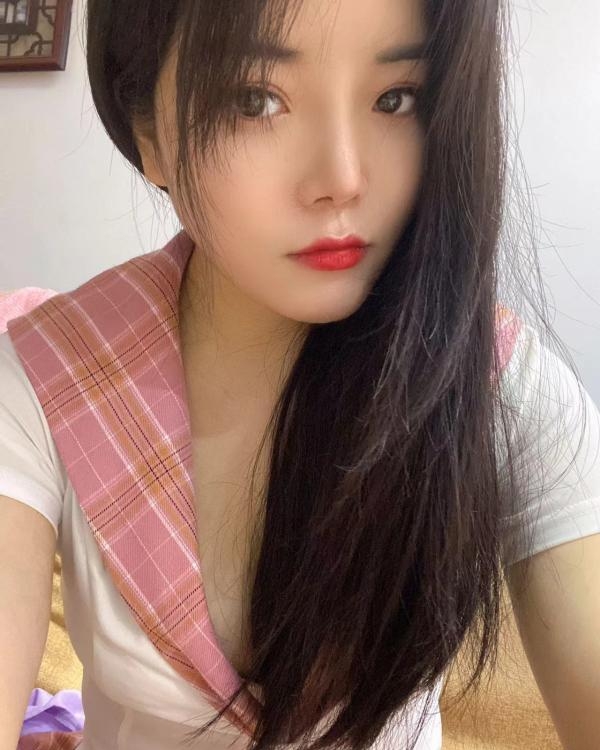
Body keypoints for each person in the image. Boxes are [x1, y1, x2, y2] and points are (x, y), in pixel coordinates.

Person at [1, 0, 599, 748]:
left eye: (397, 98)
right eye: (256, 99)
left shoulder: (497, 382)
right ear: (149, 132)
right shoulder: (44, 377)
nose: (342, 179)